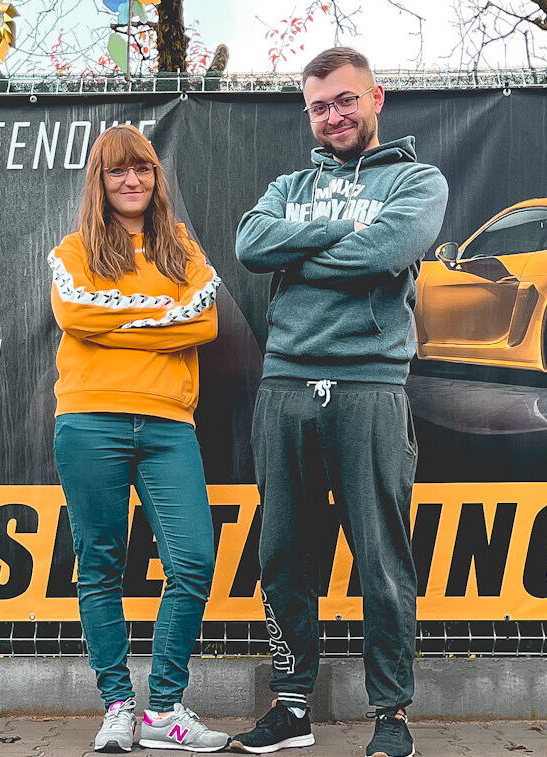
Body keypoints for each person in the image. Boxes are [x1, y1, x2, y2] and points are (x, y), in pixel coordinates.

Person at [231, 48, 448, 757]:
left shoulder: (416, 180)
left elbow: (386, 251)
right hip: (285, 386)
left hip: (370, 387)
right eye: (319, 107)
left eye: (345, 100)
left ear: (375, 98)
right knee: (283, 555)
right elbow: (250, 243)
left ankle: (391, 714)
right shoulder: (288, 184)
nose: (333, 116)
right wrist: (342, 230)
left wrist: (299, 253)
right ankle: (292, 706)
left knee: (381, 559)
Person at [49, 124, 229, 753]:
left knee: (193, 561)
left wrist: (115, 324)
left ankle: (164, 710)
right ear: (99, 181)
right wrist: (160, 318)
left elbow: (203, 324)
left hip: (168, 423)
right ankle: (118, 707)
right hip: (89, 419)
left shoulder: (181, 247)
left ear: (157, 176)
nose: (132, 180)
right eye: (118, 170)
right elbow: (75, 316)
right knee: (99, 565)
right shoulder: (75, 250)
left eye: (143, 168)